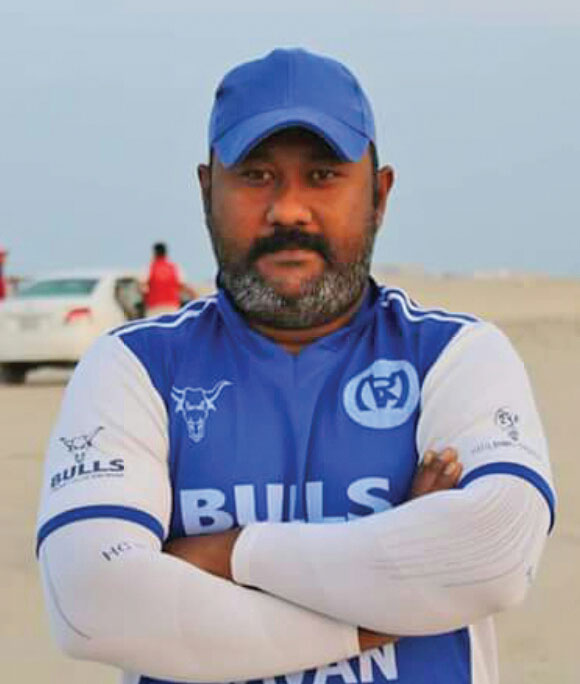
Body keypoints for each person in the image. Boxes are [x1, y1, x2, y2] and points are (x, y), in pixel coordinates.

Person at [36, 48, 555, 684]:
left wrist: (230, 553)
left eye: (322, 175)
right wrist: (382, 605)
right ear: (207, 191)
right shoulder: (136, 367)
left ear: (379, 195)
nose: (287, 209)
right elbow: (90, 603)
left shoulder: (454, 355)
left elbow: (496, 551)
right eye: (256, 175)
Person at [143, 241, 197, 315]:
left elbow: (143, 287)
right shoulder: (174, 267)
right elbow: (185, 287)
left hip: (154, 307)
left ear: (154, 253)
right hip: (172, 307)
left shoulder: (150, 267)